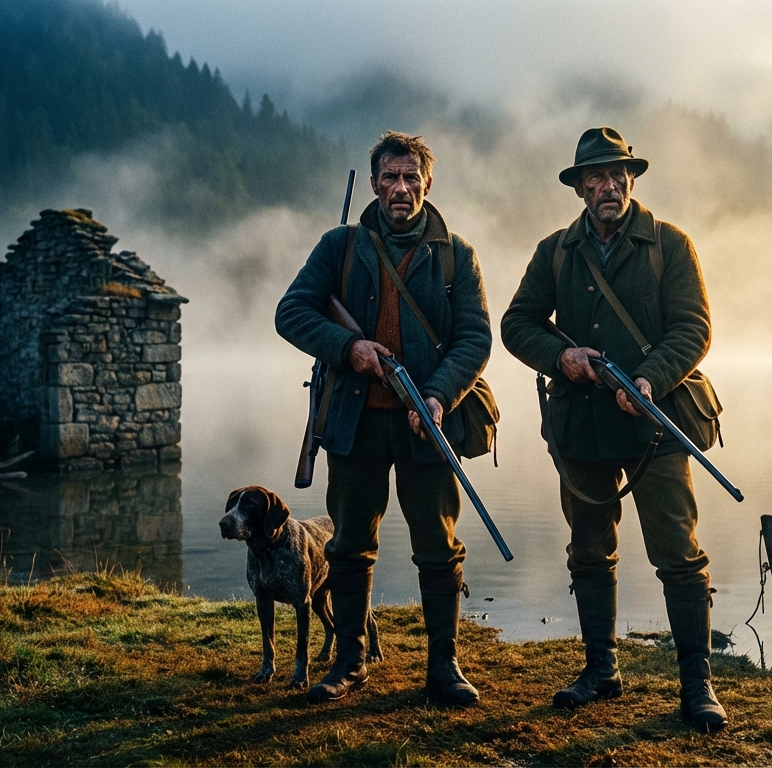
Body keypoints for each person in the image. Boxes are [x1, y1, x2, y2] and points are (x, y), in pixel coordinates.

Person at [500, 127, 727, 732]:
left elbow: (694, 329)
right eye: (595, 177)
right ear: (577, 188)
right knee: (588, 551)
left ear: (632, 178)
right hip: (581, 429)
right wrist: (562, 359)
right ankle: (601, 670)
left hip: (655, 425)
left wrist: (649, 379)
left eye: (618, 174)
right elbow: (517, 323)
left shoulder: (670, 244)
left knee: (678, 555)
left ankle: (696, 686)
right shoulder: (555, 251)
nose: (608, 186)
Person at [276, 131, 492, 706]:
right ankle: (349, 662)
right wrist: (350, 349)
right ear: (374, 184)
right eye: (390, 178)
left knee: (440, 548)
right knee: (348, 545)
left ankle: (443, 668)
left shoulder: (457, 254)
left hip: (429, 421)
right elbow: (290, 313)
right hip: (355, 420)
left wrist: (440, 397)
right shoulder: (339, 246)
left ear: (427, 182)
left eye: (410, 177)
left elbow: (474, 339)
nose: (400, 188)